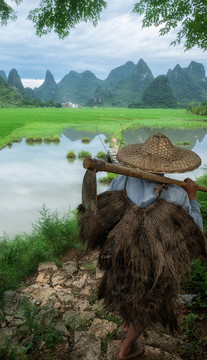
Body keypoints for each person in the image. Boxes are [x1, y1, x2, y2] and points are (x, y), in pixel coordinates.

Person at [78, 133, 207, 360]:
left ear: (141, 160)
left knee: (122, 289)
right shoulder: (177, 195)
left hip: (120, 254)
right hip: (153, 265)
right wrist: (193, 197)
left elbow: (107, 208)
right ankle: (127, 349)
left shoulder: (123, 181)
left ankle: (128, 327)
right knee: (148, 303)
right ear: (169, 165)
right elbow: (194, 229)